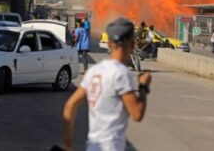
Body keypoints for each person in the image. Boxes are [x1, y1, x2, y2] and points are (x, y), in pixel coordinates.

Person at [62, 18, 152, 151]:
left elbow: (70, 106)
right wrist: (143, 87)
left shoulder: (94, 71)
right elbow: (137, 114)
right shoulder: (121, 73)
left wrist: (67, 143)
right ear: (132, 45)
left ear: (109, 44)